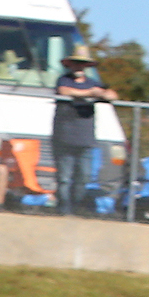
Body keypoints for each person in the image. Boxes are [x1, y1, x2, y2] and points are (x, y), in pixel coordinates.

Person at [52, 48, 117, 218]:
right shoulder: (64, 80)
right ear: (70, 64)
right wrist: (89, 93)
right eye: (76, 63)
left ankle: (75, 208)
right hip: (64, 138)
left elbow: (112, 95)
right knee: (64, 178)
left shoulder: (93, 82)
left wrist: (102, 93)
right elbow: (64, 91)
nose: (78, 66)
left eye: (82, 63)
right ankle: (63, 210)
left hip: (86, 139)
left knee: (84, 177)